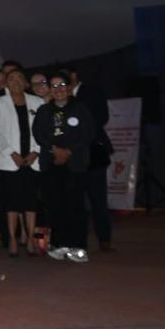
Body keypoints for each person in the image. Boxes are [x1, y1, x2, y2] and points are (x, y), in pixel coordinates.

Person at [33, 71, 95, 264]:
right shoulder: (44, 110)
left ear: (68, 88)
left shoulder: (80, 108)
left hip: (75, 164)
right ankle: (59, 244)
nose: (58, 90)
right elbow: (39, 134)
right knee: (55, 205)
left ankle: (78, 247)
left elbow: (88, 133)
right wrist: (55, 150)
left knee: (75, 206)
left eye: (62, 85)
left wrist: (68, 151)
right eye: (54, 86)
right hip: (51, 164)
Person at [0, 69, 42, 257]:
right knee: (12, 202)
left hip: (32, 159)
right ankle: (13, 238)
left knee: (30, 202)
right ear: (6, 83)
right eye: (11, 79)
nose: (15, 81)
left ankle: (30, 238)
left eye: (19, 78)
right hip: (9, 160)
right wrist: (11, 153)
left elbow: (42, 131)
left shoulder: (38, 102)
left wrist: (35, 152)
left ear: (26, 83)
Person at [69, 67, 114, 252]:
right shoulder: (57, 95)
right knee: (74, 201)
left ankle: (104, 238)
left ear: (74, 75)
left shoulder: (92, 91)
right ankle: (78, 241)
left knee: (98, 198)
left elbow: (101, 117)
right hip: (70, 156)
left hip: (93, 151)